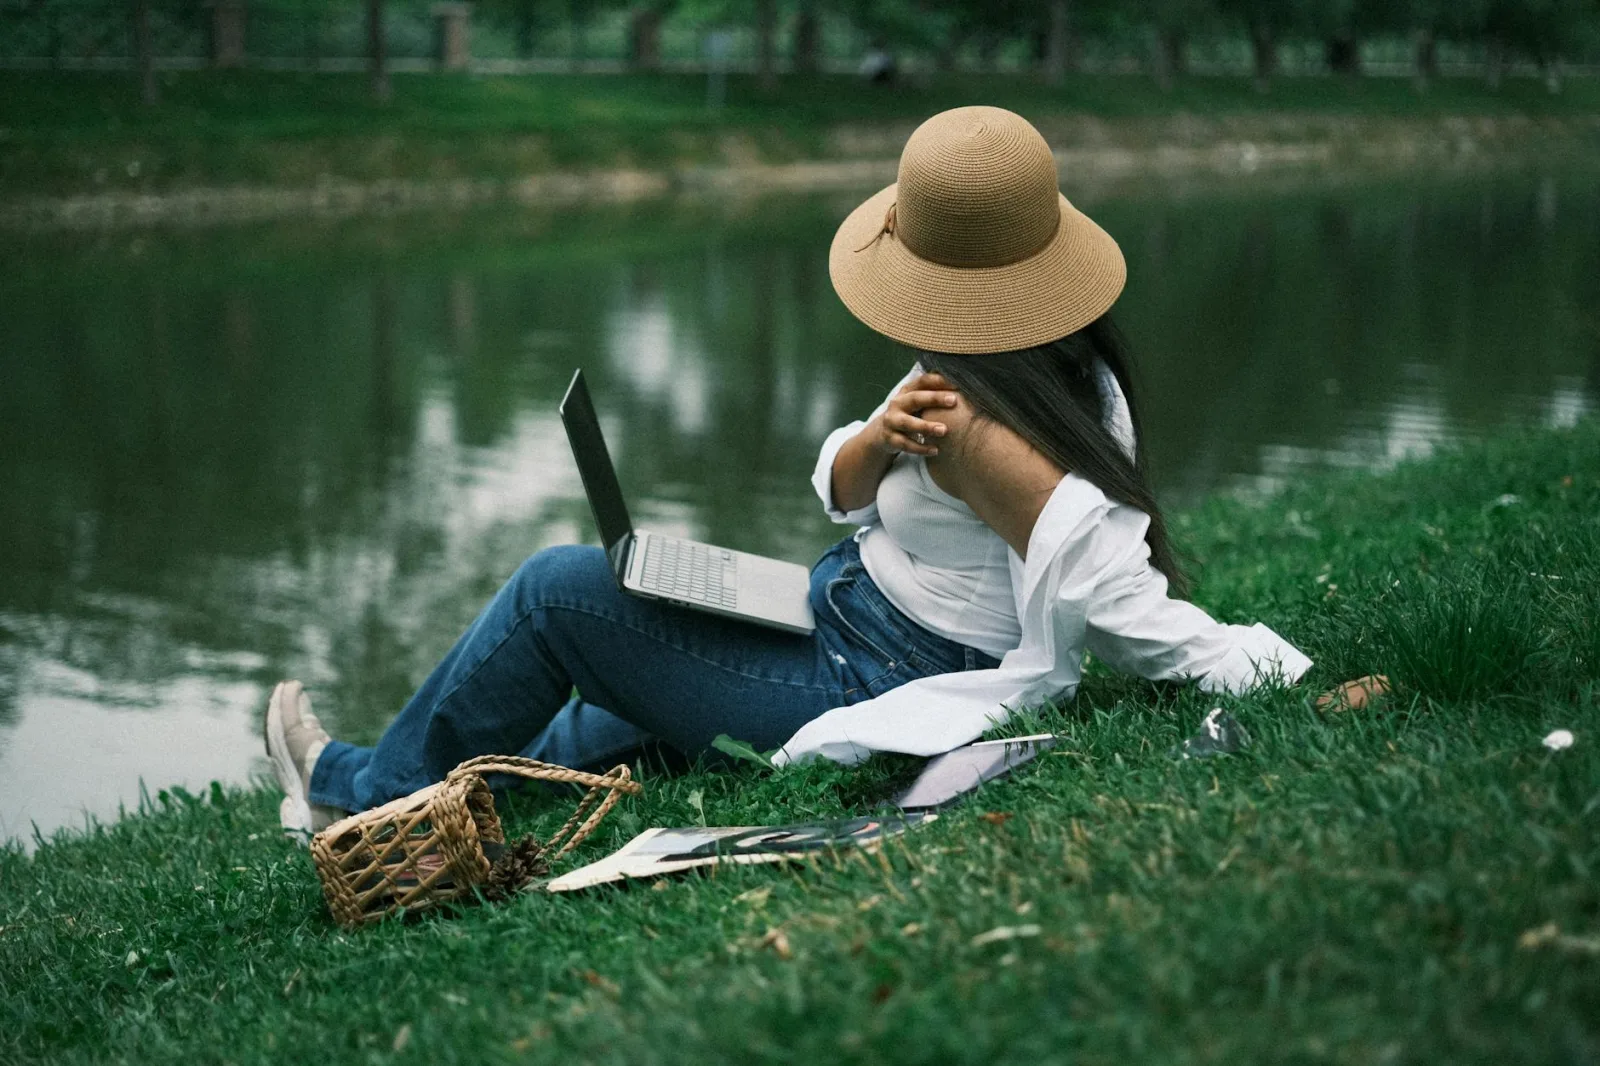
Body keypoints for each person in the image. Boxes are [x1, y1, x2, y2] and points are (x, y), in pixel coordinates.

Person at [265, 106, 1382, 840]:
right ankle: (461, 805)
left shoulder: (990, 425)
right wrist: (877, 439)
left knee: (557, 593)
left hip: (868, 670)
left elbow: (1116, 596)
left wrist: (1267, 672)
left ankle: (354, 802)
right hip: (829, 606)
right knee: (610, 690)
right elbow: (841, 486)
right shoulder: (1044, 369)